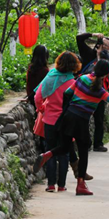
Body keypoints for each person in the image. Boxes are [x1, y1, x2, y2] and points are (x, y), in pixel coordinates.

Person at [33, 60, 109, 196]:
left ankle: (47, 155)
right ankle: (80, 185)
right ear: (105, 75)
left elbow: (67, 93)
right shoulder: (100, 91)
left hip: (68, 117)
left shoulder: (81, 79)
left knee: (64, 146)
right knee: (83, 152)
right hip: (81, 121)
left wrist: (68, 109)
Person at [34, 51, 79, 192]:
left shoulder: (50, 78)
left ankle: (50, 184)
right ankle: (61, 185)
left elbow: (37, 97)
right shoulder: (73, 83)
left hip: (50, 121)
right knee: (64, 153)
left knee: (49, 151)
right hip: (66, 123)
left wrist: (42, 109)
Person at [76, 32, 109, 152]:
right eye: (103, 43)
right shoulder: (88, 54)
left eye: (107, 46)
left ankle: (98, 143)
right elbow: (79, 38)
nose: (104, 47)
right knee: (84, 119)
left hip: (100, 93)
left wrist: (100, 56)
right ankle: (85, 143)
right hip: (85, 92)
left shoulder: (106, 59)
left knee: (99, 119)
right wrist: (93, 34)